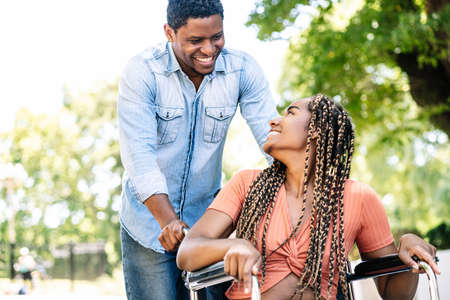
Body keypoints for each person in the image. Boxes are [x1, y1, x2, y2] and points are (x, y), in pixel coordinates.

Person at [177, 94, 440, 300]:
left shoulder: (357, 197)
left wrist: (410, 251)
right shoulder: (247, 183)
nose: (274, 120)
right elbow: (188, 252)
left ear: (316, 130)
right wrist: (234, 246)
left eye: (290, 112)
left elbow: (395, 294)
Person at [117, 0, 278, 299]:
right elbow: (139, 157)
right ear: (169, 32)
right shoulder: (143, 72)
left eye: (216, 37)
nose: (208, 49)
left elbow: (273, 140)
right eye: (195, 40)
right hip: (147, 224)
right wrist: (169, 222)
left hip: (209, 226)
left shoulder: (241, 69)